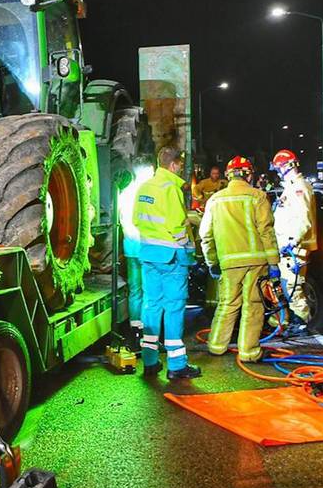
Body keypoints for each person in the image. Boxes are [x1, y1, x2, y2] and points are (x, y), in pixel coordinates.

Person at [198, 156, 280, 363]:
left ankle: (216, 346)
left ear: (228, 175)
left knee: (227, 303)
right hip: (256, 262)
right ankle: (249, 352)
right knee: (253, 305)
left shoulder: (214, 200)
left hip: (228, 263)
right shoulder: (257, 197)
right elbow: (266, 231)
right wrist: (273, 262)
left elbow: (205, 235)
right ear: (249, 174)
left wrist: (212, 262)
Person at [133, 146, 201, 380]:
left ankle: (150, 362)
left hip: (148, 256)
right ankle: (177, 365)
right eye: (180, 164)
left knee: (151, 306)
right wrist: (188, 248)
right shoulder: (171, 189)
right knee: (174, 308)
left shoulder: (145, 187)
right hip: (171, 259)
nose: (181, 168)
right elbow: (177, 226)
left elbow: (136, 219)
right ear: (172, 165)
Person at [270, 149, 317, 325]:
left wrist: (292, 242)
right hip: (288, 247)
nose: (278, 172)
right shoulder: (292, 187)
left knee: (292, 286)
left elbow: (303, 220)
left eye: (278, 168)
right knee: (287, 285)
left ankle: (303, 322)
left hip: (294, 248)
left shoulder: (298, 188)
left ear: (286, 166)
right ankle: (293, 320)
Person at [118, 163, 151, 342]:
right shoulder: (147, 194)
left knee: (135, 290)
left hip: (130, 248)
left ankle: (135, 328)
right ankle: (147, 330)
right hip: (146, 248)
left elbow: (122, 219)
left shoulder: (125, 193)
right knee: (148, 290)